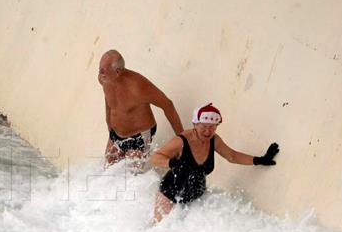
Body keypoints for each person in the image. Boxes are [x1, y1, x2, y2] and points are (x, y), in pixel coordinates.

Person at [150, 103, 279, 222]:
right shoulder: (181, 141)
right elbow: (155, 158)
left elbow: (232, 156)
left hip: (197, 199)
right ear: (195, 124)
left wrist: (260, 160)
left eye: (212, 127)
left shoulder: (214, 140)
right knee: (162, 231)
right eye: (204, 127)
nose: (208, 131)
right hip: (170, 195)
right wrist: (172, 163)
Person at [98, 49, 184, 166]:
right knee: (108, 171)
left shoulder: (138, 86)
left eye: (104, 70)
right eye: (100, 68)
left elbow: (167, 105)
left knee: (132, 177)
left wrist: (182, 140)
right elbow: (108, 100)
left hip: (138, 136)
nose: (100, 73)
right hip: (115, 134)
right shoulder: (104, 79)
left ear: (117, 72)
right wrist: (109, 124)